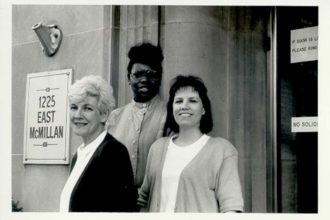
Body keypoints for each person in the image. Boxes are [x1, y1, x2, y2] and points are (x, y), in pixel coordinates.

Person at [138, 75, 244, 212]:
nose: (184, 106)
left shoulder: (222, 150)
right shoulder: (157, 148)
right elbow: (144, 200)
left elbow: (231, 206)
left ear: (203, 109)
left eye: (192, 101)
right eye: (178, 101)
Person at [59, 75, 137, 212]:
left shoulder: (113, 153)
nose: (78, 115)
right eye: (73, 107)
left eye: (87, 108)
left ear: (104, 114)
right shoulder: (80, 154)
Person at [106, 42, 167, 188]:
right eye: (138, 75)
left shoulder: (170, 114)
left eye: (151, 74)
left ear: (159, 78)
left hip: (153, 201)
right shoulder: (115, 117)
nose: (144, 80)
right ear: (128, 78)